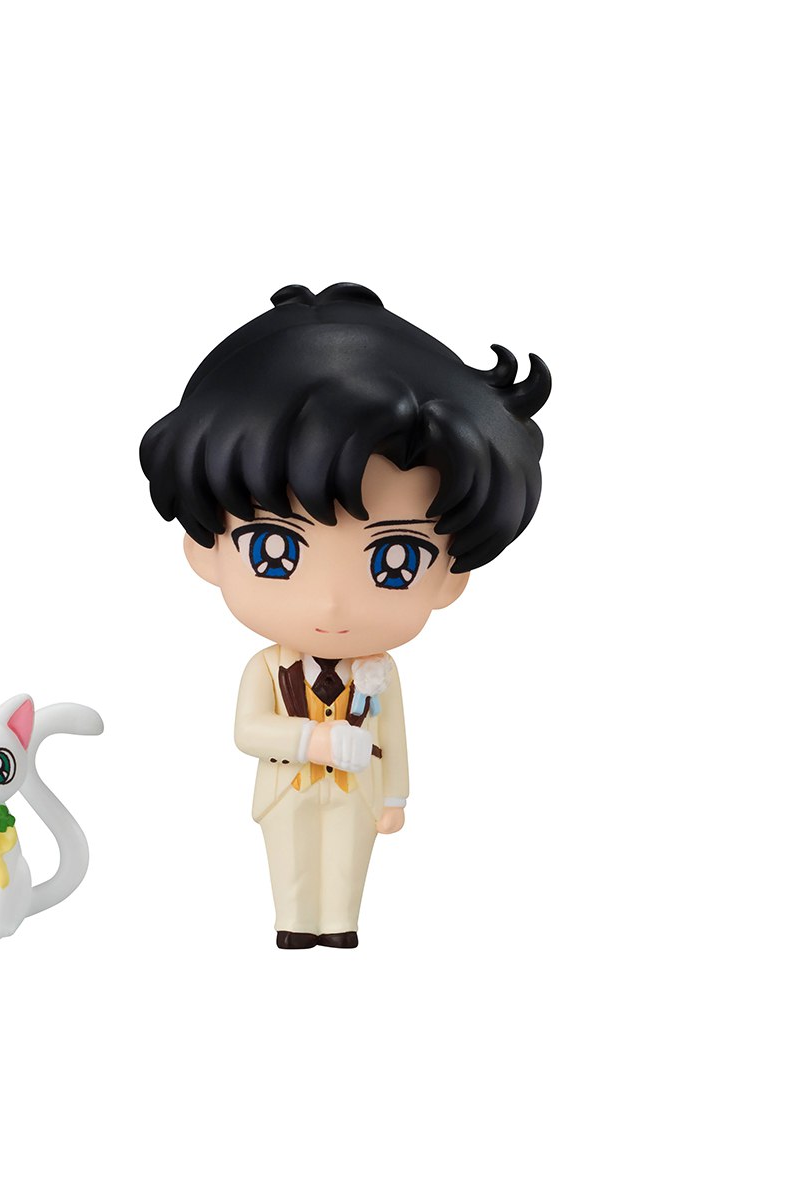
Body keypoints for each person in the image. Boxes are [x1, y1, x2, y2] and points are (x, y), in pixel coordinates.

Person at [139, 282, 551, 948]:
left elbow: (397, 737)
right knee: (291, 859)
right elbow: (248, 730)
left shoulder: (380, 671)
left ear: (451, 577)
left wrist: (395, 797)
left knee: (348, 862)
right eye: (275, 551)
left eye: (395, 560)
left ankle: (339, 924)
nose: (331, 602)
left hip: (358, 793)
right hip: (288, 788)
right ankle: (294, 922)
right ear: (204, 549)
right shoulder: (266, 669)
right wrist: (314, 742)